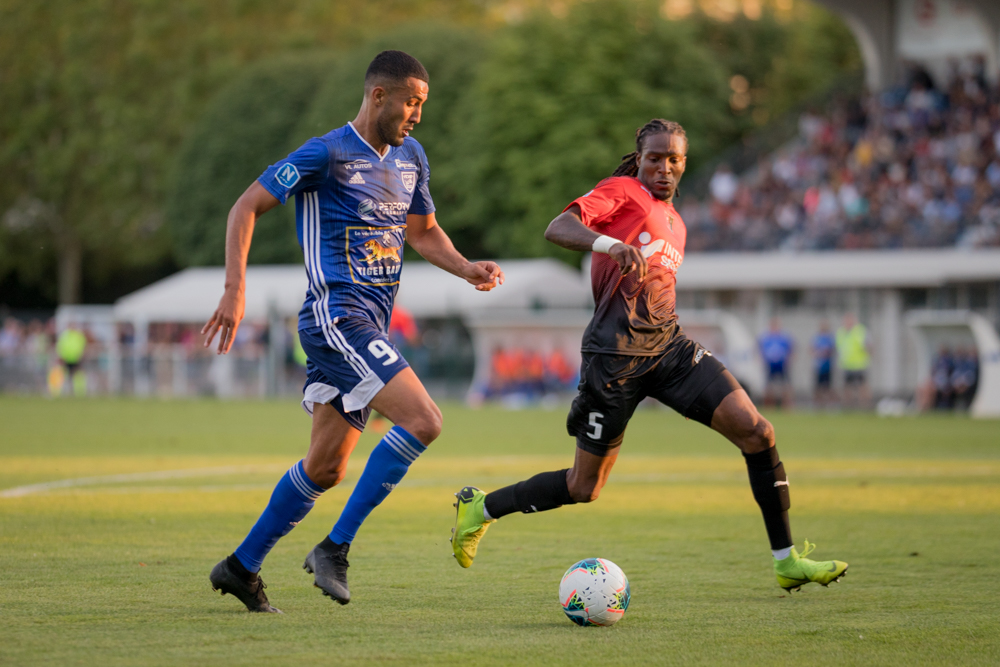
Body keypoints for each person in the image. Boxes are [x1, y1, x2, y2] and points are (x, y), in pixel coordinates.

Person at [450, 119, 847, 593]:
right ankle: (482, 509)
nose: (663, 167)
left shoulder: (676, 222)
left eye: (673, 159)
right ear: (639, 159)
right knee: (584, 487)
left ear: (684, 163)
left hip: (669, 349)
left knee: (758, 432)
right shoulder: (620, 191)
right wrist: (610, 243)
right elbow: (558, 227)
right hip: (614, 357)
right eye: (654, 158)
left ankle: (786, 561)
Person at [202, 50, 504, 613]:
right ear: (378, 96)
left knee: (327, 466)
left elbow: (424, 232)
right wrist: (234, 290)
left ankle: (241, 567)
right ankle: (334, 548)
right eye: (411, 102)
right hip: (337, 318)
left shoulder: (413, 156)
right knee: (424, 419)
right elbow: (245, 207)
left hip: (369, 324)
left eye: (423, 104)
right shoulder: (327, 152)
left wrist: (466, 267)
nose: (417, 114)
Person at [835, 313, 871, 409]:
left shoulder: (860, 331)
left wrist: (867, 355)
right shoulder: (841, 332)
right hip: (846, 365)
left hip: (859, 364)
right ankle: (848, 408)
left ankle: (865, 407)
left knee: (862, 386)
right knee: (847, 387)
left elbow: (869, 346)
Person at [758, 317, 794, 409]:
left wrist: (788, 360)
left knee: (785, 385)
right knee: (769, 386)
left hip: (781, 364)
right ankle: (769, 405)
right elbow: (760, 349)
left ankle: (786, 405)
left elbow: (791, 349)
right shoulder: (766, 337)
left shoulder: (784, 337)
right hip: (770, 364)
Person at [812, 320, 836, 408]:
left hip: (827, 366)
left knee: (828, 387)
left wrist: (826, 353)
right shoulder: (817, 338)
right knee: (818, 387)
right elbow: (812, 350)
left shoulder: (830, 338)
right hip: (818, 366)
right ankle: (818, 404)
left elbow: (832, 350)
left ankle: (830, 404)